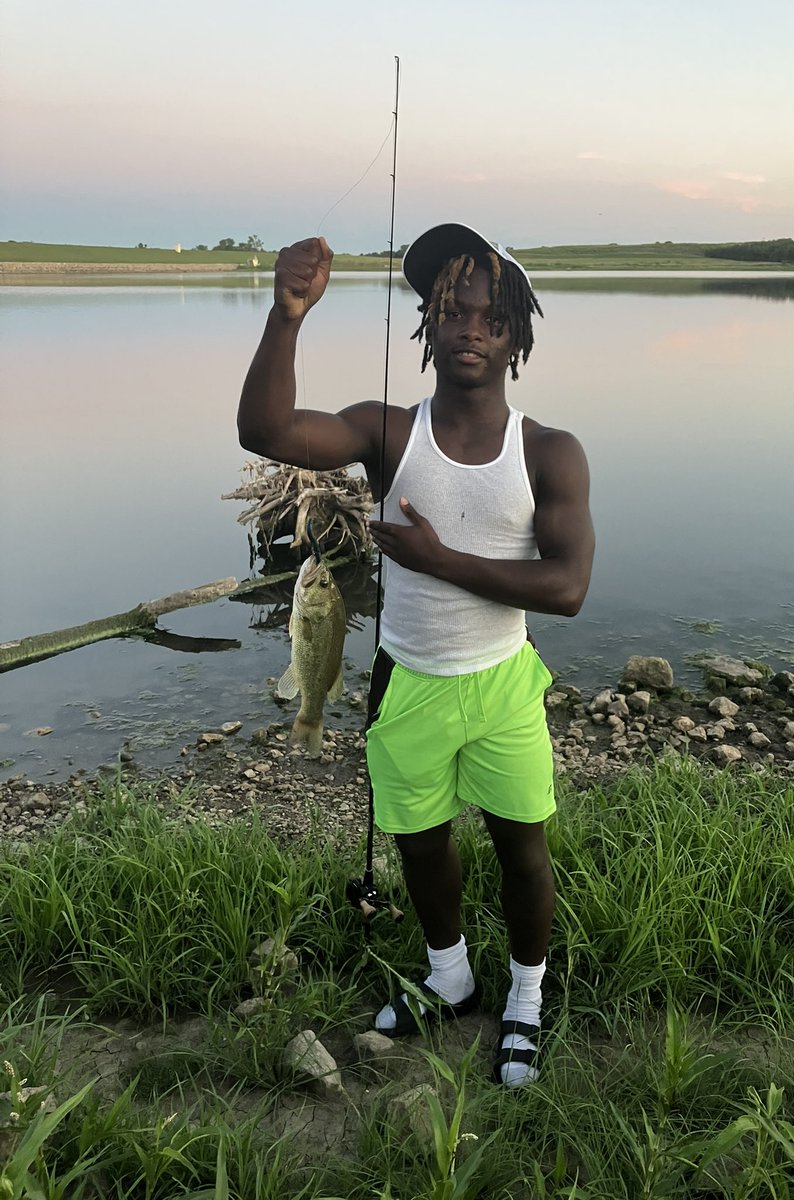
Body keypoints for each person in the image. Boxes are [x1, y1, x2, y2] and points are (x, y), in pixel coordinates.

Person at [238, 223, 594, 1086]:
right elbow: (267, 429)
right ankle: (451, 977)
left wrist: (442, 562)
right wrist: (287, 317)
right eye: (453, 312)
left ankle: (524, 995)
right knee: (422, 848)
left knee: (523, 850)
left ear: (515, 337)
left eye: (490, 317)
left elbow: (568, 588)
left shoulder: (548, 452)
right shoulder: (389, 432)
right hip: (408, 687)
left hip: (503, 685)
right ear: (429, 328)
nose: (470, 327)